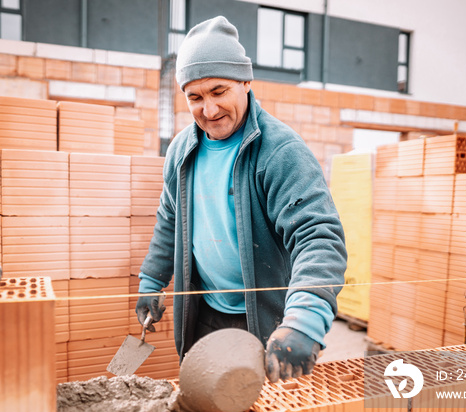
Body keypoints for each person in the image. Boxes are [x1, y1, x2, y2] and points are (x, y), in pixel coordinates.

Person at [135, 15, 347, 383]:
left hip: (265, 320)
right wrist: (152, 282)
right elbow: (170, 219)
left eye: (219, 92)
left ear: (246, 82)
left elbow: (318, 237)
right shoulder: (181, 150)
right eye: (195, 97)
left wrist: (305, 320)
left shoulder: (280, 152)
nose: (209, 110)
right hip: (204, 313)